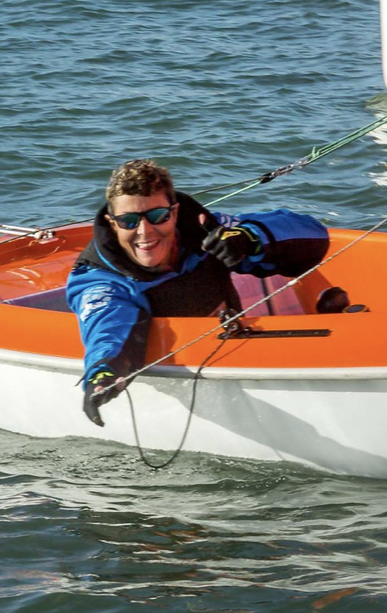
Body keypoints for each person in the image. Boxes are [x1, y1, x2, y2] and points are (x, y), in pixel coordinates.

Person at [66, 159, 331, 426]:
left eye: (158, 216)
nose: (144, 232)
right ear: (112, 224)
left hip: (242, 356)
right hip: (195, 386)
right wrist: (102, 375)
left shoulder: (208, 232)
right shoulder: (99, 280)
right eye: (129, 221)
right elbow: (107, 326)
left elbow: (314, 236)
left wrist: (247, 240)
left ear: (175, 212)